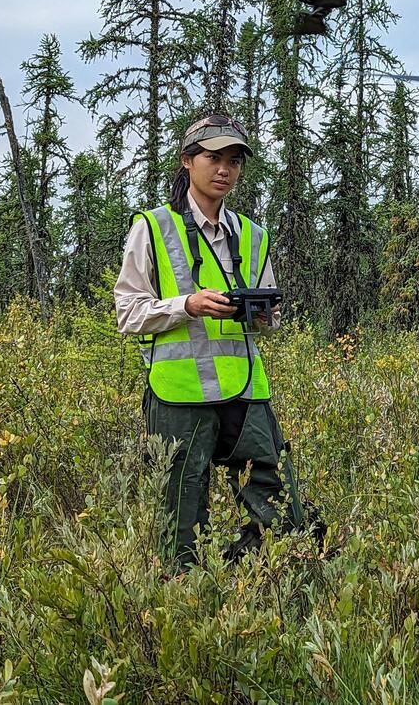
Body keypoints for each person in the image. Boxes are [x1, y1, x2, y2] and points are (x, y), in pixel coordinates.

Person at [115, 115, 303, 567]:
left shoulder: (254, 236)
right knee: (182, 507)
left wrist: (265, 316)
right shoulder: (154, 227)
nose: (224, 170)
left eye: (234, 161)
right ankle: (186, 597)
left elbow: (265, 324)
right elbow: (128, 314)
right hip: (179, 395)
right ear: (187, 161)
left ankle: (250, 578)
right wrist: (187, 306)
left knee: (279, 501)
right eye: (213, 158)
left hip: (246, 390)